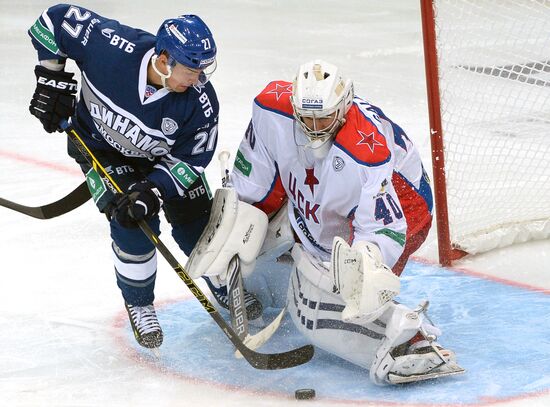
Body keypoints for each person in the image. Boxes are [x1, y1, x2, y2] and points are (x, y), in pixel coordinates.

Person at [187, 60, 464, 384]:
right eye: (307, 117)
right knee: (268, 238)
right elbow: (258, 179)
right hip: (332, 185)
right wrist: (237, 222)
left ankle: (412, 341)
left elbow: (381, 227)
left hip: (405, 203)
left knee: (321, 298)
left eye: (325, 117)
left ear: (344, 107)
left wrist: (366, 261)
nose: (315, 126)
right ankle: (283, 285)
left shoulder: (365, 151)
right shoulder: (270, 109)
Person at [27, 4, 260, 350]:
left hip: (164, 163)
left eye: (203, 68)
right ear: (164, 60)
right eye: (192, 69)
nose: (200, 78)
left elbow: (191, 160)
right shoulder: (110, 47)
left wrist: (155, 189)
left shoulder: (200, 102)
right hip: (101, 150)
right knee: (132, 221)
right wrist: (51, 78)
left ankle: (220, 280)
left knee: (197, 224)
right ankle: (139, 303)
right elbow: (53, 21)